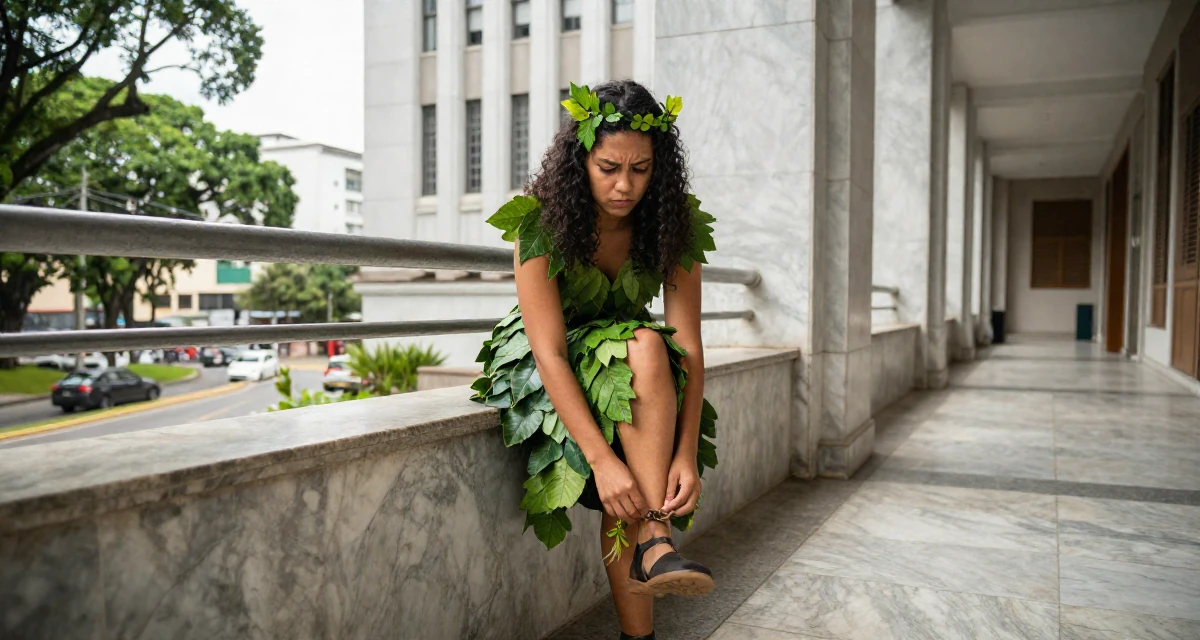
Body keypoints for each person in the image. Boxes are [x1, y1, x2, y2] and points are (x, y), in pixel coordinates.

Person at [471, 79, 719, 640]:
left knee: (649, 354)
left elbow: (691, 346)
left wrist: (686, 453)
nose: (625, 185)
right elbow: (550, 351)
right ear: (581, 158)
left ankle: (648, 578)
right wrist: (599, 461)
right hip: (548, 362)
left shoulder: (673, 224)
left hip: (635, 363)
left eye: (642, 168)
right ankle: (657, 542)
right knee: (642, 354)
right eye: (609, 167)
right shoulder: (539, 220)